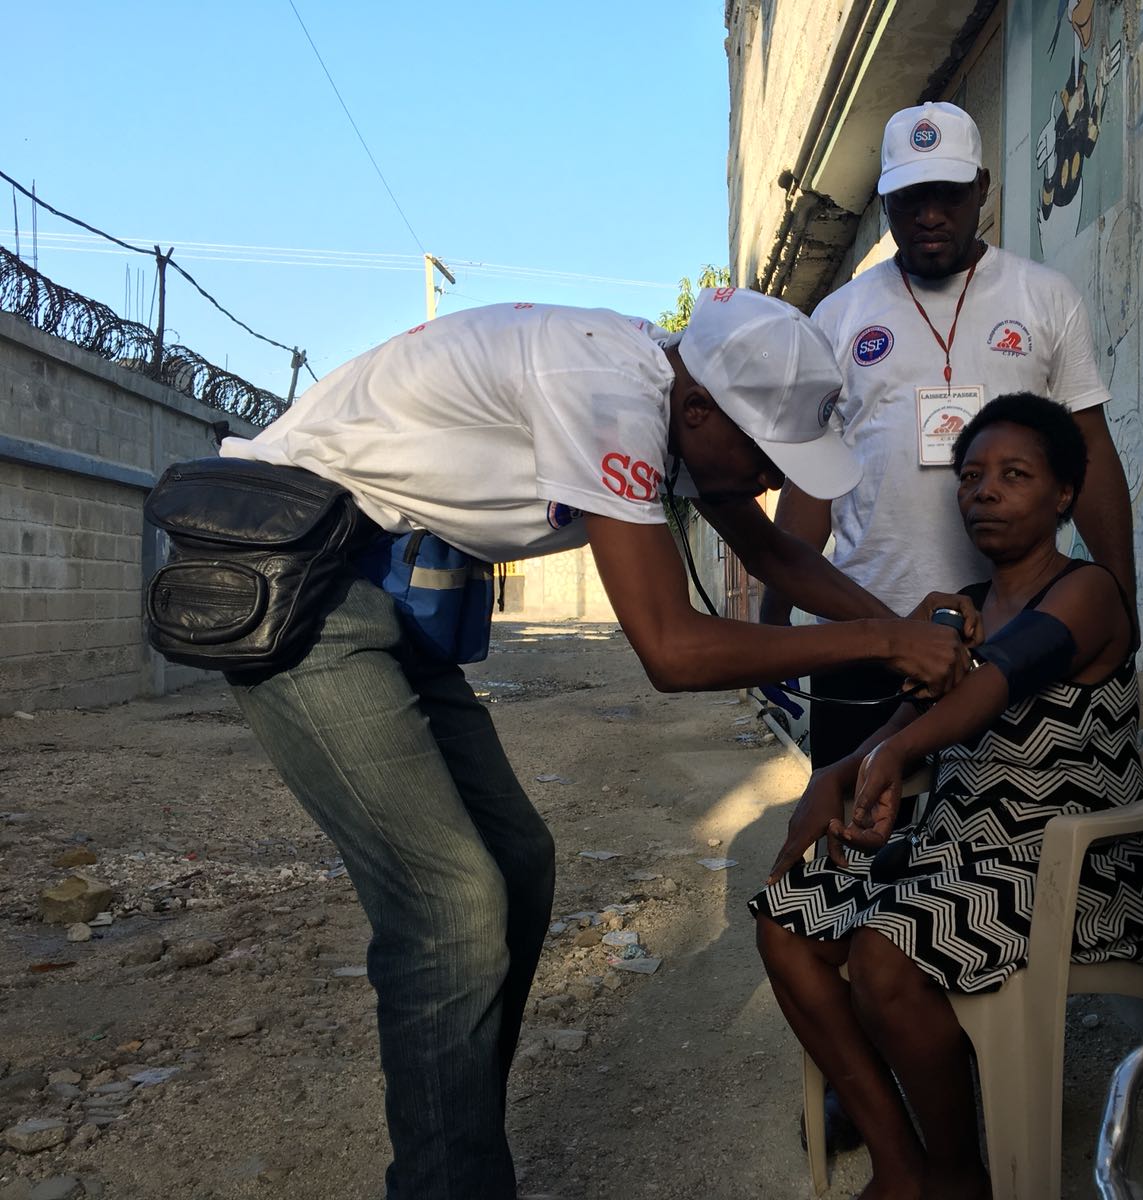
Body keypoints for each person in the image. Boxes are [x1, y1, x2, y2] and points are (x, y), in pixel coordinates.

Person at [198, 287, 971, 1200]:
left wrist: (912, 636)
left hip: (379, 583)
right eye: (765, 457)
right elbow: (671, 650)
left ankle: (456, 1151)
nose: (769, 481)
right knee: (449, 904)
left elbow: (771, 555)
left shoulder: (677, 391)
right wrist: (887, 641)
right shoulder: (608, 389)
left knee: (517, 865)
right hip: (290, 572)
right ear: (697, 412)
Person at [752, 393, 1143, 1200]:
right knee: (785, 920)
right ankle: (900, 1161)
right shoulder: (965, 607)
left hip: (1072, 875)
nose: (984, 491)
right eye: (971, 475)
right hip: (961, 855)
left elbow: (998, 681)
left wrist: (898, 751)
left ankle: (955, 1175)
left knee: (883, 949)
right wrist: (836, 778)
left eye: (1015, 474)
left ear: (1063, 495)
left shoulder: (1089, 592)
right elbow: (906, 717)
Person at [758, 99, 1135, 773]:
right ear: (884, 204)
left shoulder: (1045, 299)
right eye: (908, 199)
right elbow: (814, 475)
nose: (929, 216)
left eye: (949, 195)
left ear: (982, 189)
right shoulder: (839, 316)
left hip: (1015, 630)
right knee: (853, 827)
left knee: (994, 831)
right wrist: (775, 615)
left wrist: (1123, 601)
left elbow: (1092, 450)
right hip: (865, 631)